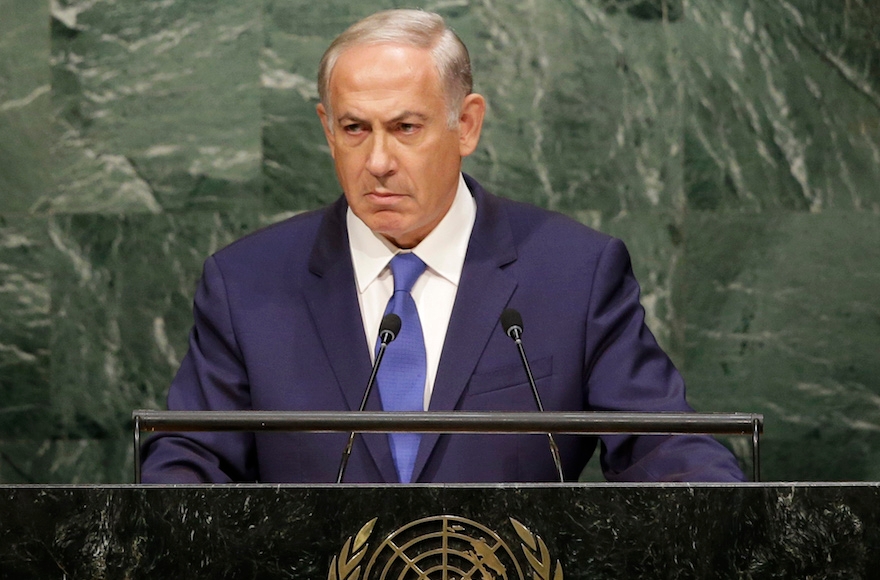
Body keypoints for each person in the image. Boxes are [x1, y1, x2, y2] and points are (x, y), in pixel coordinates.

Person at [141, 9, 744, 483]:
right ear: (327, 129)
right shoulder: (246, 283)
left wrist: (738, 523)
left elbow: (665, 448)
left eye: (405, 128)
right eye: (355, 129)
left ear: (467, 124)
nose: (377, 161)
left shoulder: (574, 273)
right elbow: (188, 462)